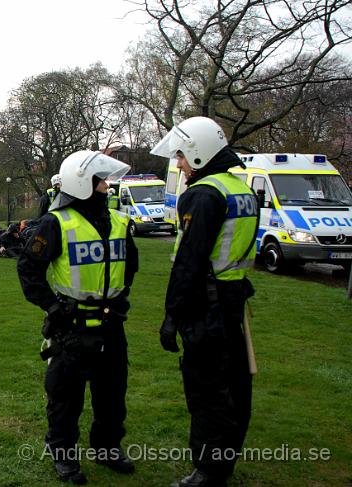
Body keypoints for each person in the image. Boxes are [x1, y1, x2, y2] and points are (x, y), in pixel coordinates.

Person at [17, 150, 138, 485]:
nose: (108, 187)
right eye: (102, 181)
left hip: (111, 322)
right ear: (83, 183)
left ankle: (108, 448)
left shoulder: (117, 220)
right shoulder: (56, 223)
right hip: (72, 325)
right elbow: (29, 270)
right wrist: (54, 308)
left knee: (112, 392)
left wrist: (120, 296)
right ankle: (63, 453)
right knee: (65, 397)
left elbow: (130, 264)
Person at [151, 116, 258, 487]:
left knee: (207, 389)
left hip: (207, 305)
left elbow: (189, 263)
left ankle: (208, 470)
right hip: (232, 300)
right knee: (236, 387)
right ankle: (224, 462)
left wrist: (172, 316)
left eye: (181, 155)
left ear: (198, 154)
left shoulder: (203, 194)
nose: (178, 163)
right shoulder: (239, 189)